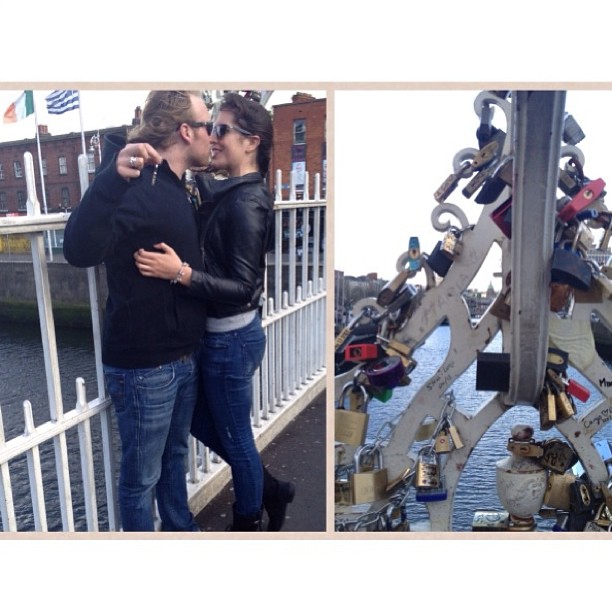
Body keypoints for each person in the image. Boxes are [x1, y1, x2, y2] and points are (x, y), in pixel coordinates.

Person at [132, 92, 295, 531]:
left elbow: (244, 286)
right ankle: (271, 489)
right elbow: (199, 185)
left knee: (236, 438)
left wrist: (181, 273)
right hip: (220, 336)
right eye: (213, 128)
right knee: (204, 425)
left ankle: (249, 520)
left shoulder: (248, 202)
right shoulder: (233, 190)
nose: (214, 138)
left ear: (251, 143)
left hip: (229, 339)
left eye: (222, 130)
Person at [62, 90, 212, 532]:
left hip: (183, 355)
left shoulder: (175, 186)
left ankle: (182, 531)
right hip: (145, 366)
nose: (214, 136)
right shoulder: (135, 184)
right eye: (209, 126)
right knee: (140, 479)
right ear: (186, 131)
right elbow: (77, 249)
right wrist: (110, 177)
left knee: (175, 461)